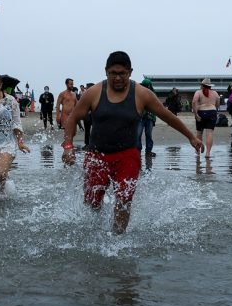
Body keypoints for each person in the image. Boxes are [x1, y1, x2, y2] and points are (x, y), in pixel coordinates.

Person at [61, 51, 204, 234]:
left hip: (127, 156)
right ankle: (94, 234)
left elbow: (167, 116)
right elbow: (72, 119)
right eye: (113, 73)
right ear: (106, 72)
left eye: (123, 73)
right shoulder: (94, 93)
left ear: (130, 72)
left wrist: (191, 136)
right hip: (97, 156)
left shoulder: (142, 94)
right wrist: (68, 147)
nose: (118, 77)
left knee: (124, 200)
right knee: (92, 201)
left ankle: (117, 239)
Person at [192, 78, 220, 158]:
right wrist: (215, 109)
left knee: (199, 133)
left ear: (202, 85)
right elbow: (218, 103)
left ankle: (197, 152)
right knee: (209, 133)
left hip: (201, 112)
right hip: (212, 112)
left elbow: (194, 102)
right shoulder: (215, 93)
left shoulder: (198, 92)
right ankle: (208, 153)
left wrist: (196, 114)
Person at [136, 78, 157, 157]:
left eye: (147, 86)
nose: (146, 87)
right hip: (140, 118)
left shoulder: (153, 94)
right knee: (138, 134)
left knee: (148, 134)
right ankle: (138, 151)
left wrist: (153, 118)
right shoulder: (138, 93)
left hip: (150, 117)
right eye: (145, 86)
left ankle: (148, 151)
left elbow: (156, 107)